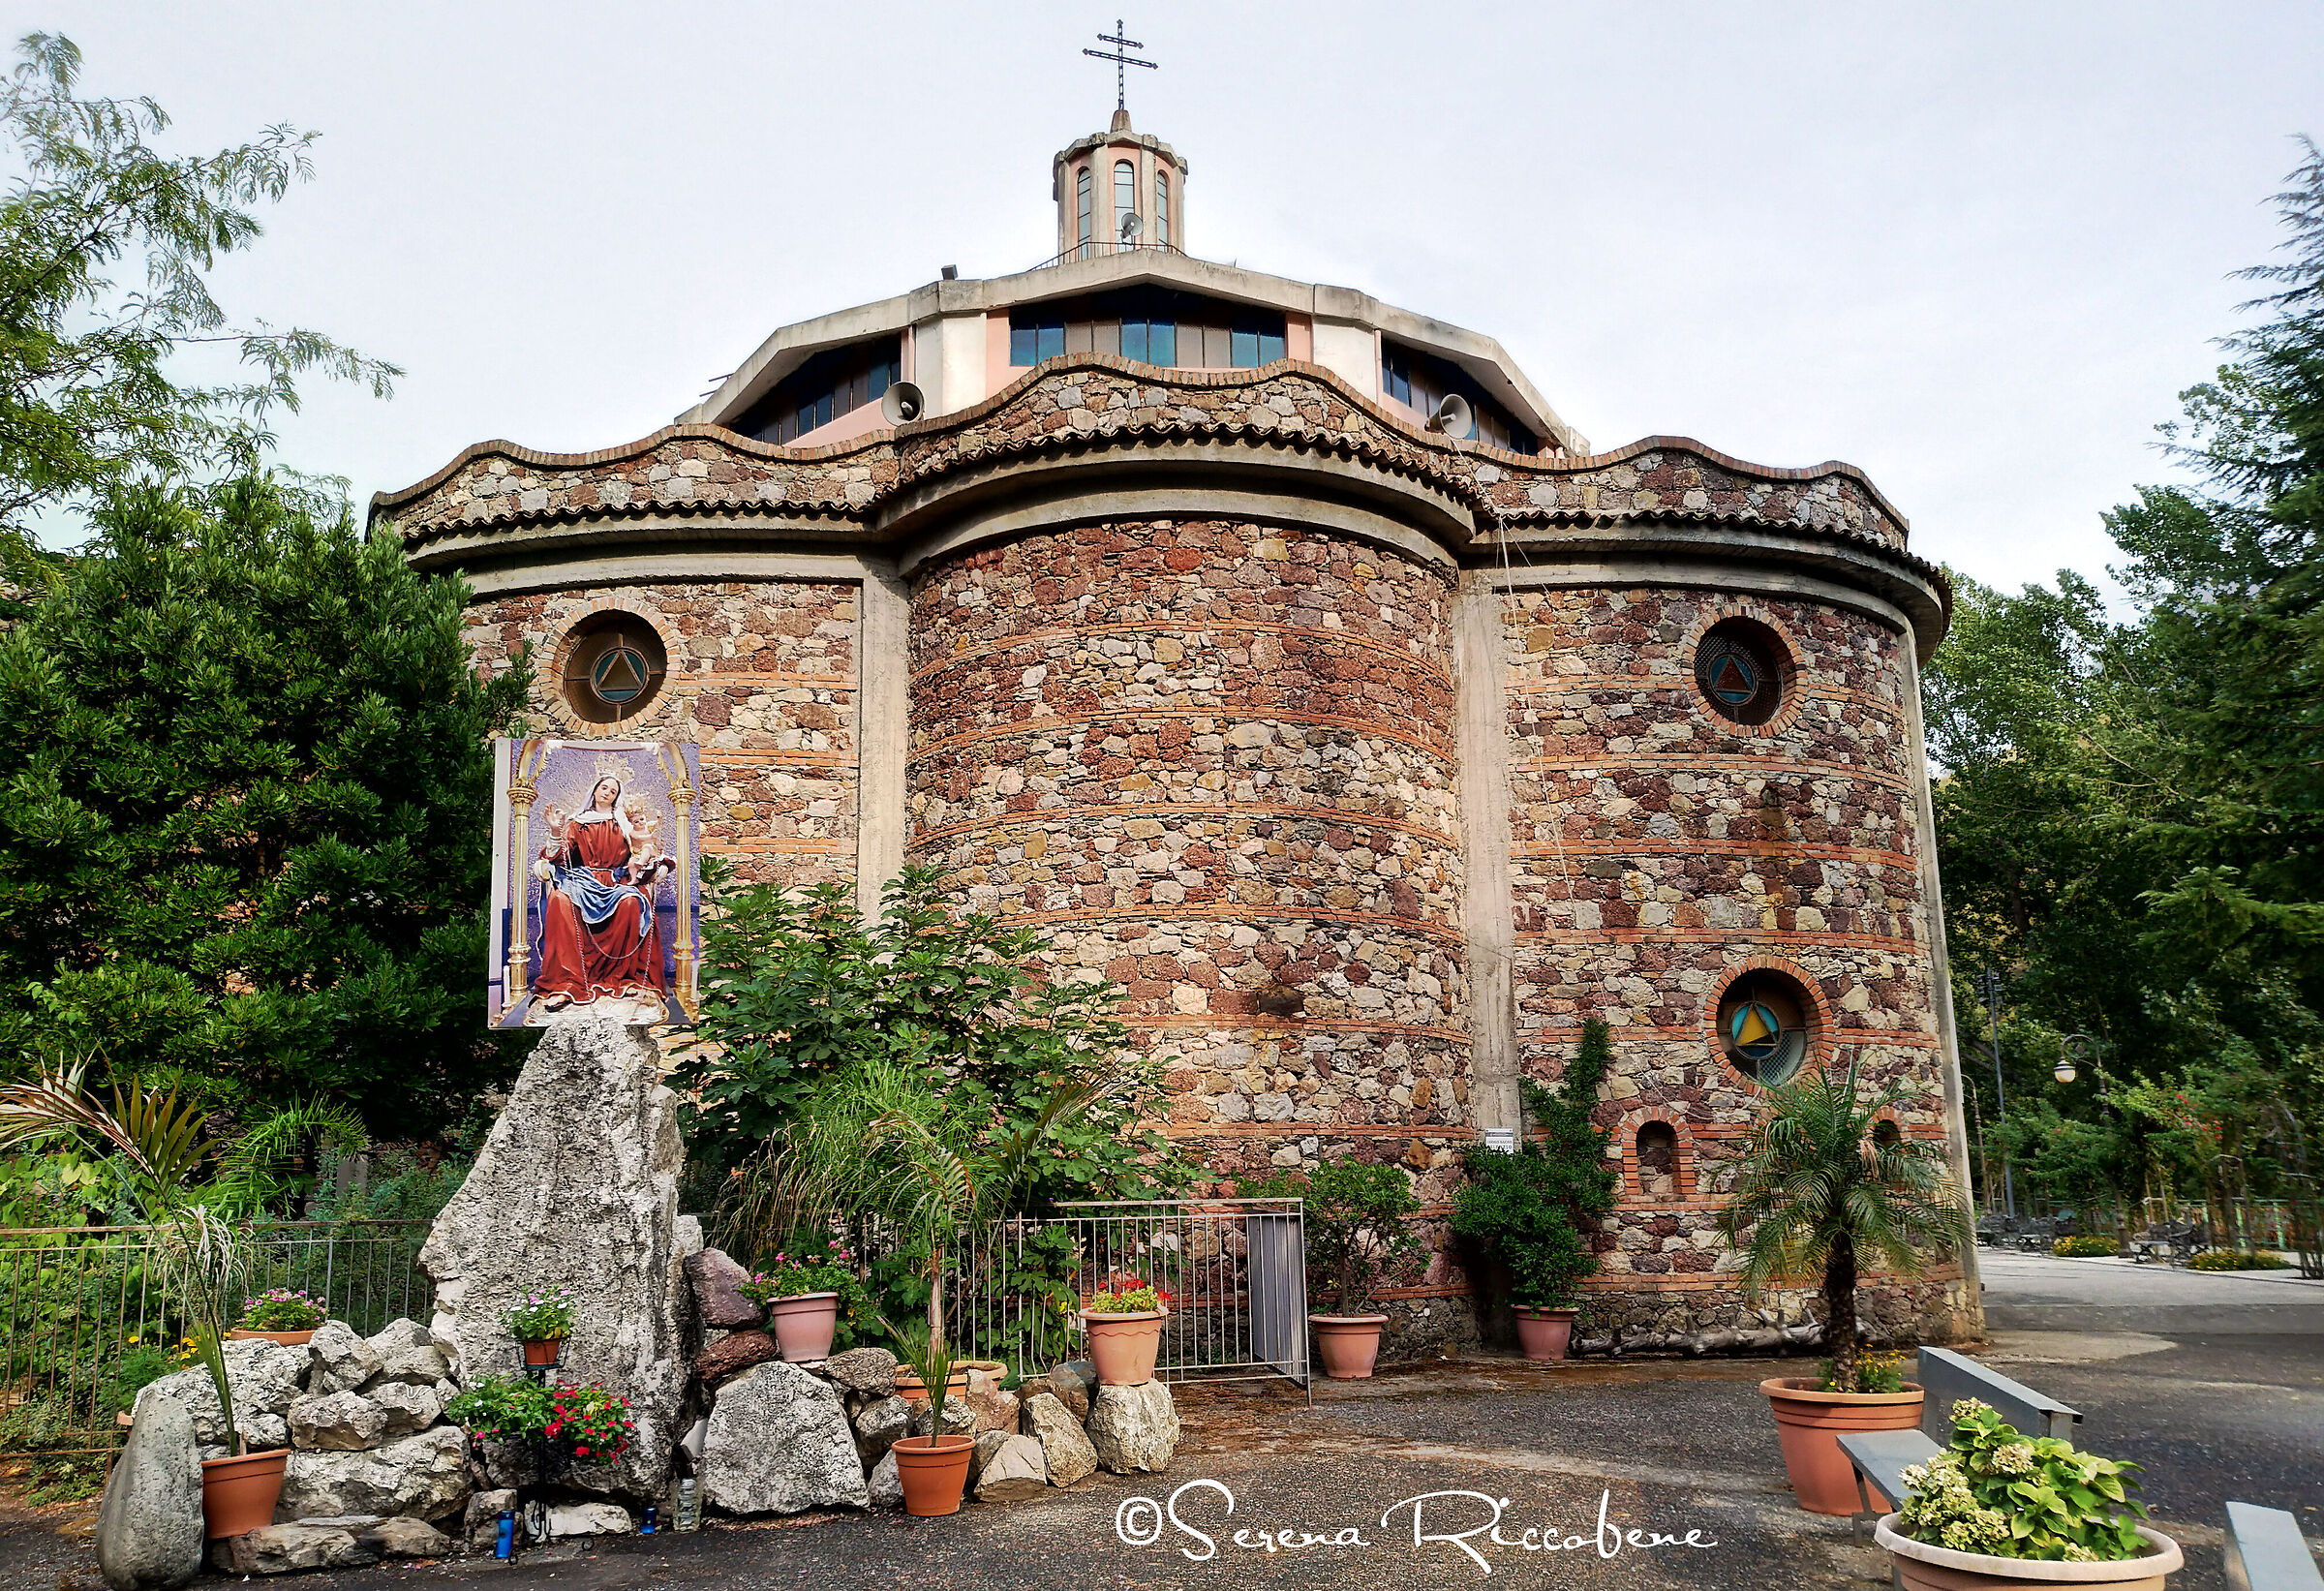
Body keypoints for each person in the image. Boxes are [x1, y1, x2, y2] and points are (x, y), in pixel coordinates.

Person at [532, 777, 665, 1014]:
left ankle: (621, 977)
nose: (607, 793)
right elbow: (561, 857)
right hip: (582, 880)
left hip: (614, 882)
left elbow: (641, 851)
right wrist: (555, 831)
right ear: (594, 790)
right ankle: (566, 983)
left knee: (632, 902)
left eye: (613, 791)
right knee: (560, 900)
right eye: (604, 787)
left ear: (616, 797)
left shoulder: (623, 825)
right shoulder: (577, 823)